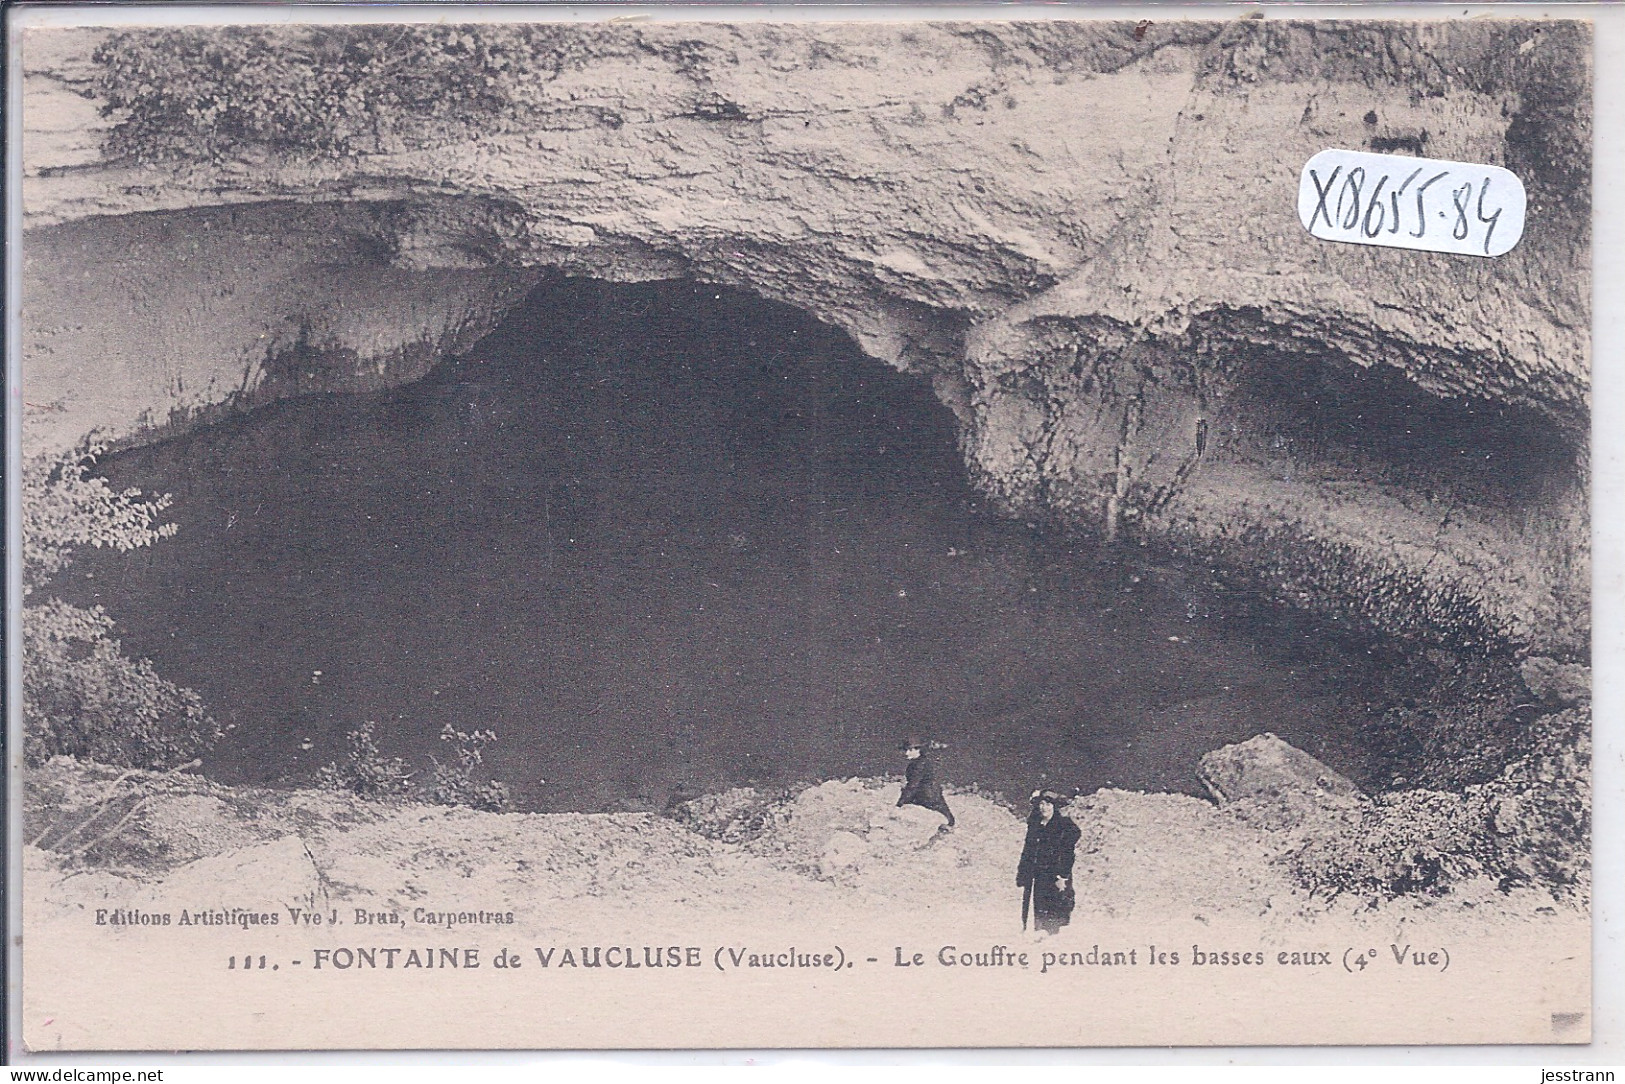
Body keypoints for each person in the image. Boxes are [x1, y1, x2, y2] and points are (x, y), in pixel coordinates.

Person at [1016, 789, 1080, 935]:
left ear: (1054, 807)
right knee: (1039, 908)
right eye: (1041, 804)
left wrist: (1062, 876)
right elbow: (1028, 851)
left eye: (1048, 804)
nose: (1043, 807)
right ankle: (1039, 934)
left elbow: (1067, 854)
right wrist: (1023, 872)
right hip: (1038, 875)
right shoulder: (1036, 825)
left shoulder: (1064, 827)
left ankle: (1053, 938)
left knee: (1056, 909)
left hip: (1056, 875)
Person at [896, 736, 955, 829]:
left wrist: (900, 803)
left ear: (918, 750)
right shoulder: (924, 762)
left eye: (910, 750)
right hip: (932, 797)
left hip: (925, 799)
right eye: (905, 750)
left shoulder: (917, 765)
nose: (906, 753)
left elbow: (913, 786)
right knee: (947, 819)